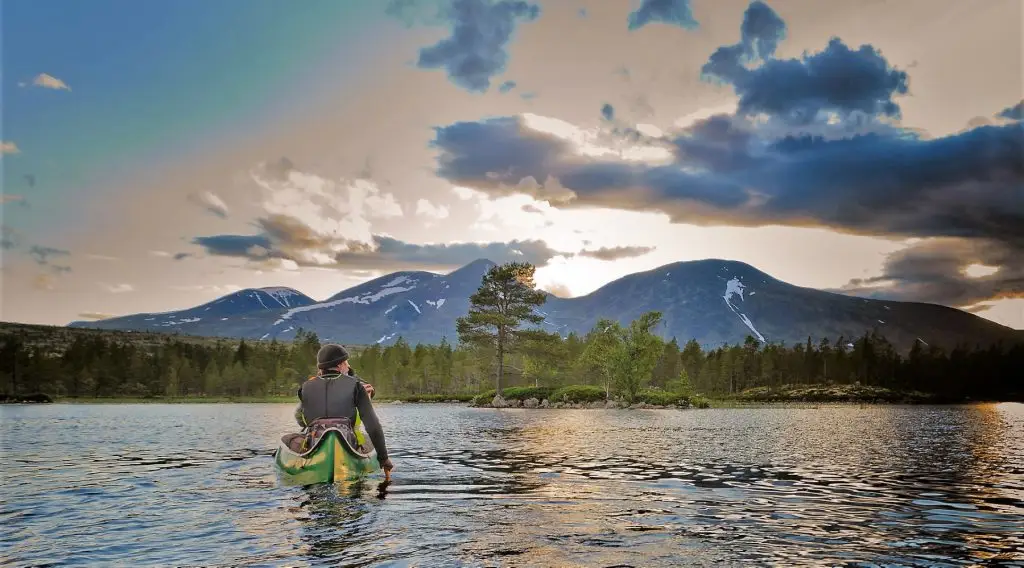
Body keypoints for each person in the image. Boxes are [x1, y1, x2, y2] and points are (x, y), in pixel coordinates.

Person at [294, 343, 393, 477]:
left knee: (287, 438)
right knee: (367, 439)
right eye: (346, 363)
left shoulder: (305, 388)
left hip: (314, 441)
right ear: (340, 365)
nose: (348, 366)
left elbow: (302, 420)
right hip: (349, 441)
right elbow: (373, 426)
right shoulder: (356, 386)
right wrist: (384, 458)